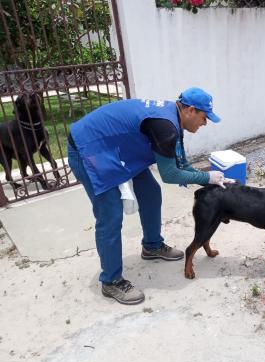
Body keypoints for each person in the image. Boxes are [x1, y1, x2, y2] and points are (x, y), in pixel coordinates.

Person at [68, 87, 231, 305]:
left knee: (151, 194)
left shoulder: (173, 118)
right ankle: (111, 281)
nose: (205, 123)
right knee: (111, 215)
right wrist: (206, 177)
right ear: (191, 110)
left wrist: (207, 176)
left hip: (118, 148)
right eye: (204, 117)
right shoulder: (164, 126)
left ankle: (152, 246)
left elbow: (179, 163)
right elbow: (171, 174)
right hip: (90, 149)